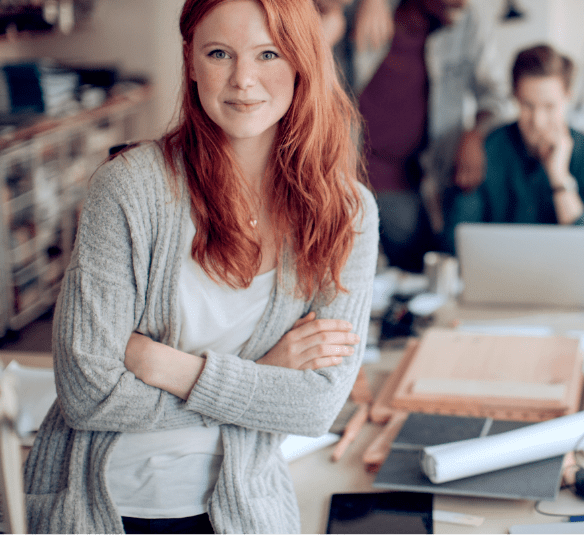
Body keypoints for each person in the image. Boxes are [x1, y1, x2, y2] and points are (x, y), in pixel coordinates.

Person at [23, 0, 379, 533]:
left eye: (268, 54)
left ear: (303, 60)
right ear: (190, 59)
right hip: (106, 505)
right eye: (220, 53)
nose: (243, 80)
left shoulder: (346, 212)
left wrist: (170, 367)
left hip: (244, 508)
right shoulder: (128, 189)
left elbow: (316, 407)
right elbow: (88, 395)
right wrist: (264, 379)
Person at [355, 0, 509, 272]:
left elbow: (496, 97)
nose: (461, 3)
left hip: (422, 178)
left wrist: (475, 134)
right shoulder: (365, 11)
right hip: (357, 171)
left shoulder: (468, 20)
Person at [442, 44, 584, 254]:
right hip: (497, 278)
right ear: (515, 97)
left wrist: (559, 177)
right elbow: (454, 243)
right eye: (528, 105)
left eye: (549, 106)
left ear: (567, 99)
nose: (538, 121)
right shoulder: (486, 150)